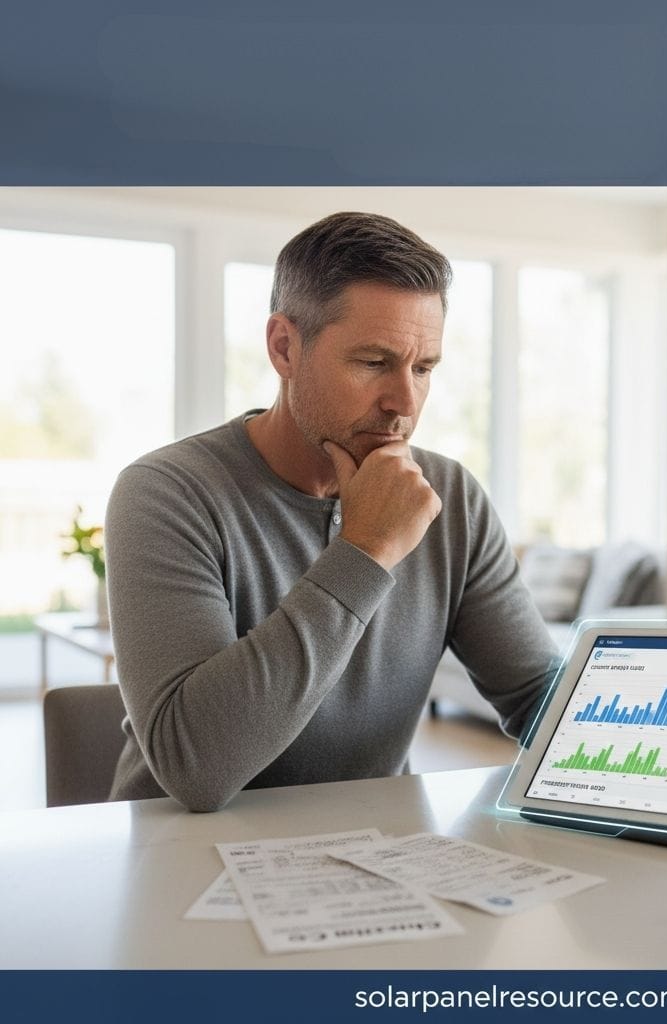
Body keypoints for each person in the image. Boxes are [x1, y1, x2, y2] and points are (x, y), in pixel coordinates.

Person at [105, 212, 558, 811]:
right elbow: (197, 768)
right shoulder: (166, 493)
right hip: (183, 858)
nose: (403, 402)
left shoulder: (450, 497)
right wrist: (366, 550)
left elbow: (539, 701)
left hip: (376, 856)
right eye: (372, 363)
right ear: (284, 347)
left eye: (423, 369)